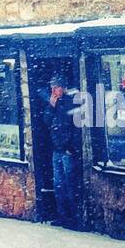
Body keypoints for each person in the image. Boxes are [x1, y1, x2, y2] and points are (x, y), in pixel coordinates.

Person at [46, 73, 84, 229]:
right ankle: (62, 216)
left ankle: (75, 218)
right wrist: (51, 107)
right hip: (57, 149)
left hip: (67, 150)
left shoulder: (71, 102)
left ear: (63, 88)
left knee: (71, 184)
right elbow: (46, 121)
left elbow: (76, 127)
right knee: (59, 184)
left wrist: (71, 148)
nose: (54, 90)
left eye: (57, 87)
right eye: (52, 87)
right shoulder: (55, 103)